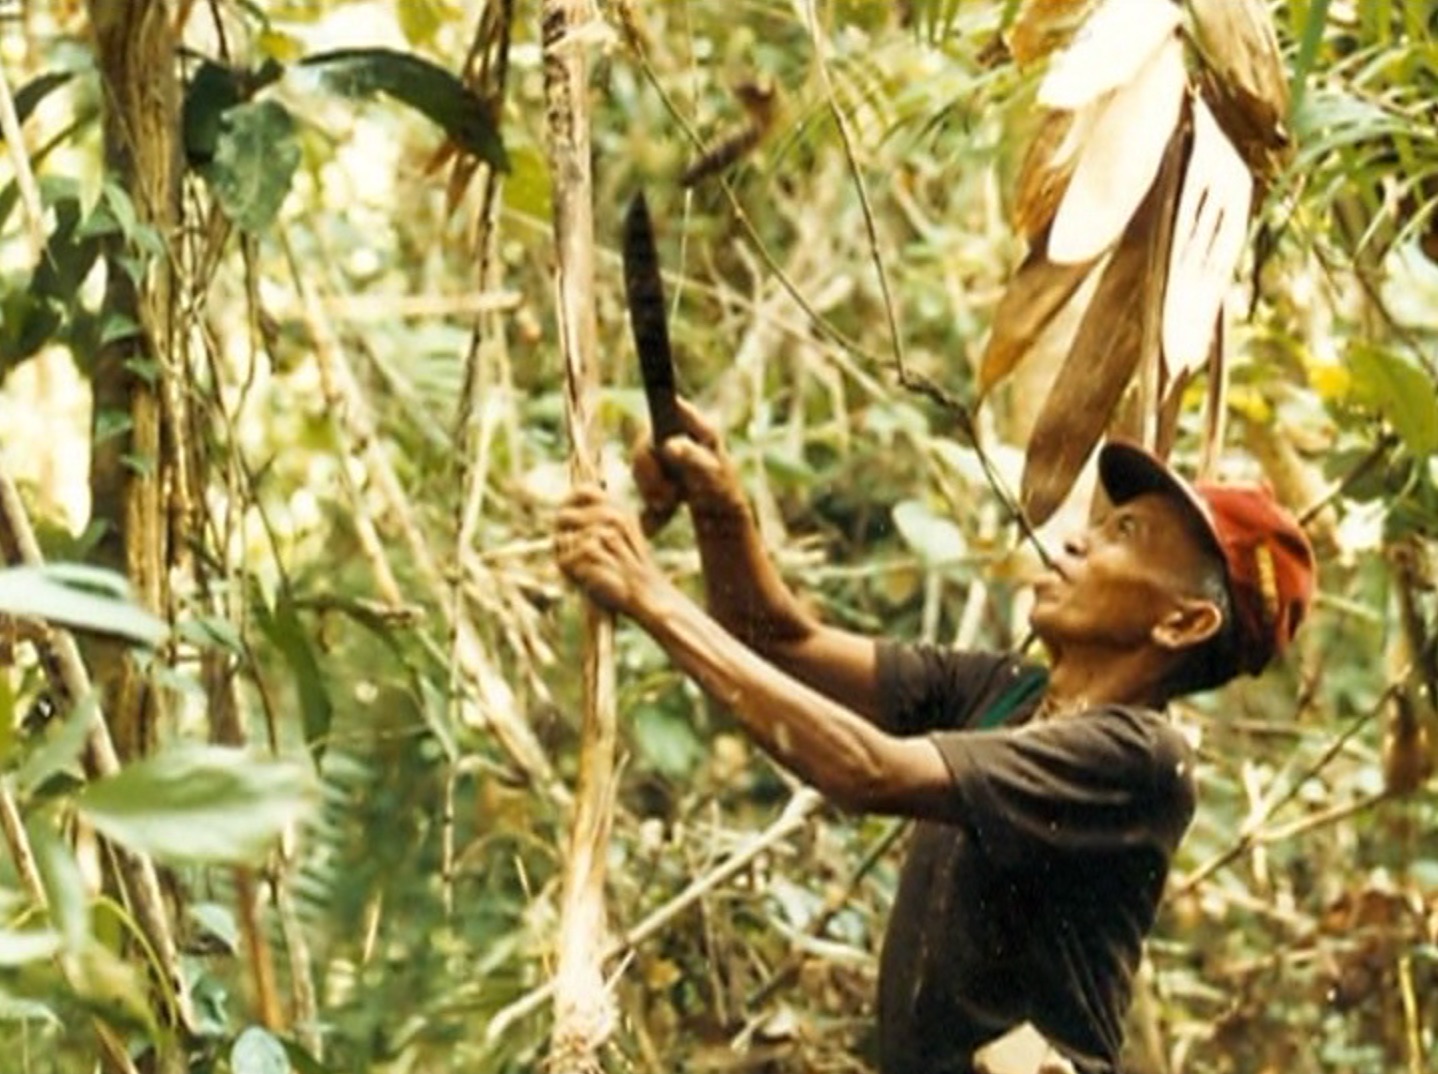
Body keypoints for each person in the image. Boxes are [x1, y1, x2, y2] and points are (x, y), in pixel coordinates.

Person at [553, 399, 1316, 1074]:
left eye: (1124, 533)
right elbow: (780, 641)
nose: (1076, 543)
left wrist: (648, 593)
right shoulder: (1005, 693)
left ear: (1182, 622)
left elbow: (865, 770)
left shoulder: (1139, 758)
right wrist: (720, 509)